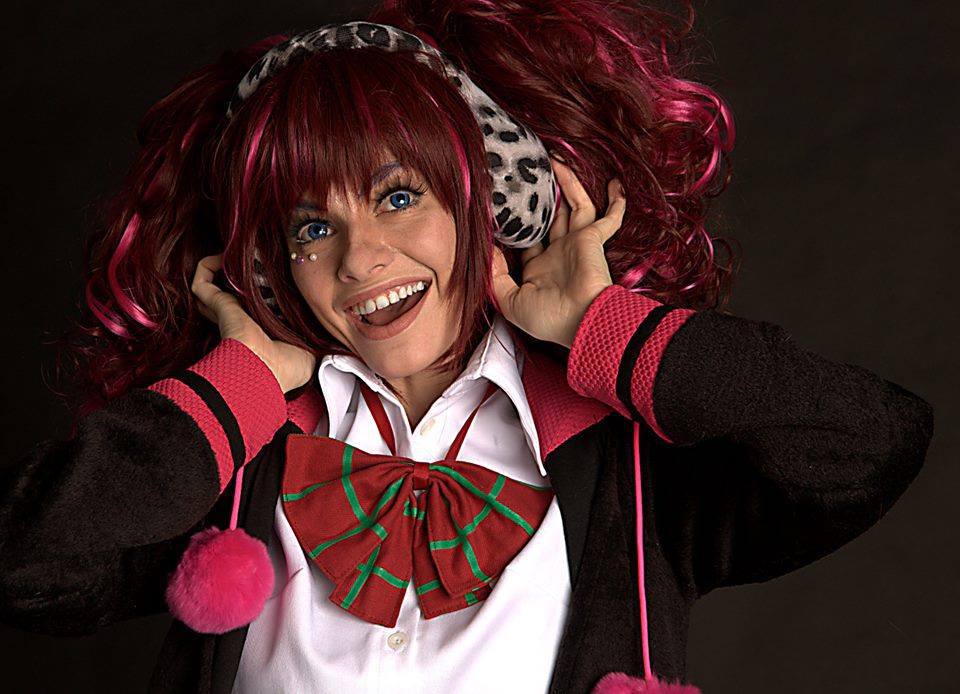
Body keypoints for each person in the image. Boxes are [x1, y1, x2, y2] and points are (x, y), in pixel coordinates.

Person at [0, 1, 935, 693]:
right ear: (272, 269)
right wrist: (234, 385)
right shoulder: (245, 452)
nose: (361, 258)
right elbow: (27, 569)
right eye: (312, 229)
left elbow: (868, 443)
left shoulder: (626, 464)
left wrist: (605, 330)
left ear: (490, 202)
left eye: (398, 196)